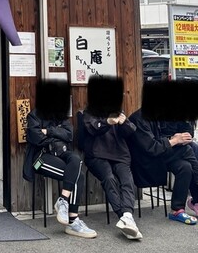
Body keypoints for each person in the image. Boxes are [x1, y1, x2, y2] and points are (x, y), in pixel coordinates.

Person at [23, 81, 97, 239]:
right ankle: (73, 221)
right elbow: (37, 138)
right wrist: (57, 134)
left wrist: (48, 131)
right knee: (77, 176)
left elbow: (69, 135)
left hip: (60, 153)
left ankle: (63, 201)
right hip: (40, 158)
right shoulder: (34, 115)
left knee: (75, 160)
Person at [129, 108, 198, 224]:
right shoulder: (139, 119)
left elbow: (184, 136)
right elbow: (151, 148)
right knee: (188, 149)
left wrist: (185, 120)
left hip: (163, 154)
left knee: (185, 166)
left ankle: (177, 210)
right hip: (145, 161)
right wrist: (174, 140)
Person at [82, 109, 141, 239]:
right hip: (97, 155)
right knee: (109, 178)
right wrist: (108, 122)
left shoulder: (118, 111)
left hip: (120, 155)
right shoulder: (89, 112)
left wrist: (124, 123)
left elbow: (130, 132)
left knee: (127, 180)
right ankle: (124, 217)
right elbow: (93, 128)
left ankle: (127, 216)